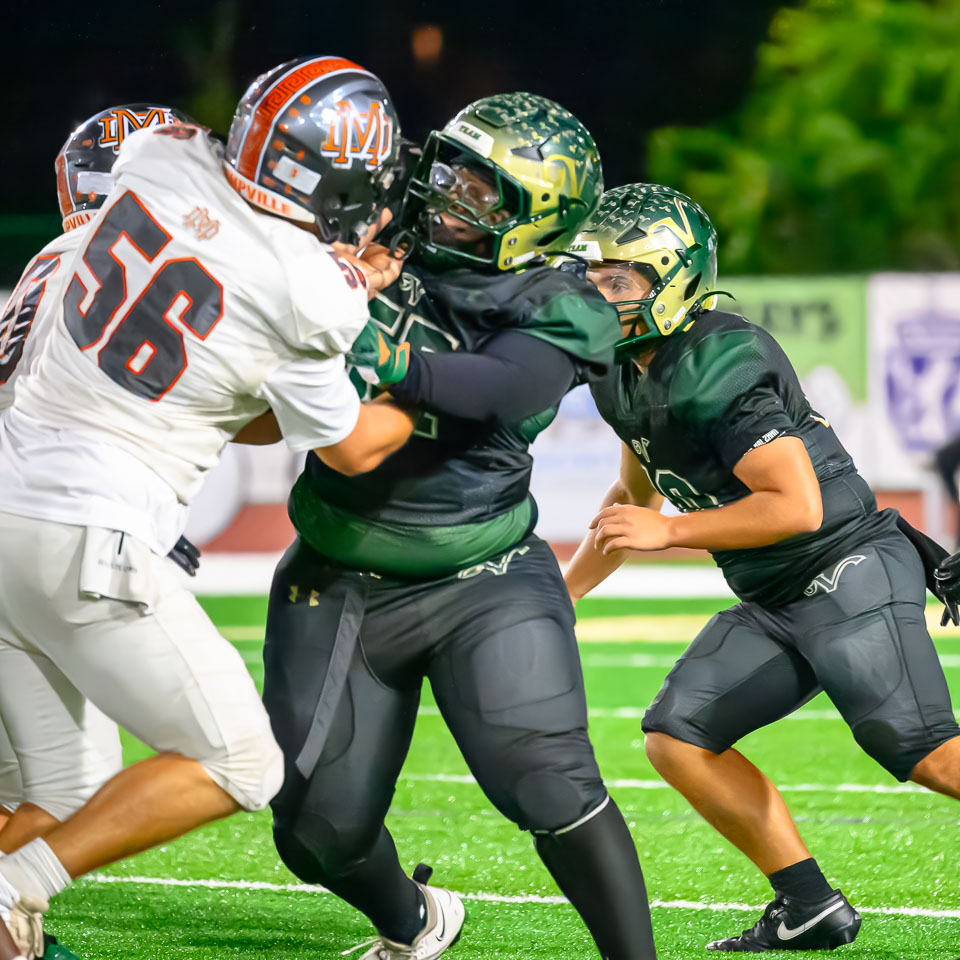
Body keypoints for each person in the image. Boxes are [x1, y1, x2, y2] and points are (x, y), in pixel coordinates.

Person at [0, 55, 414, 959]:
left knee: (62, 791)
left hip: (10, 506)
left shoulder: (156, 156)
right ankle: (13, 891)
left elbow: (238, 386)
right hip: (86, 527)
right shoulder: (311, 292)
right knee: (241, 761)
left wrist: (336, 275)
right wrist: (424, 399)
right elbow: (345, 445)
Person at [262, 92, 660, 960]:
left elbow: (502, 388)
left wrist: (375, 348)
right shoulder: (377, 229)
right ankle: (415, 922)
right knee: (316, 834)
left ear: (537, 216)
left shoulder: (560, 300)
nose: (449, 192)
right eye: (452, 168)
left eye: (483, 188)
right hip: (336, 573)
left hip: (483, 577)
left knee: (548, 782)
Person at [562, 182, 960, 952]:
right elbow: (635, 494)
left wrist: (670, 532)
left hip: (844, 566)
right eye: (591, 276)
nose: (599, 295)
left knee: (923, 751)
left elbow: (796, 507)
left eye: (619, 279)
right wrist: (563, 595)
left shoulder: (721, 358)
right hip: (774, 592)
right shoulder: (618, 367)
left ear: (672, 279)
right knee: (678, 735)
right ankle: (808, 905)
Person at [0, 103, 197, 855]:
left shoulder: (53, 257)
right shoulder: (119, 263)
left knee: (23, 793)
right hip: (40, 531)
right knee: (76, 796)